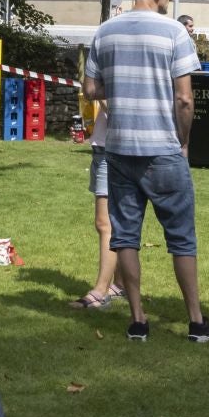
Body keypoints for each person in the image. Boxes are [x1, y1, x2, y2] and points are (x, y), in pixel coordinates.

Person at [83, 0, 209, 343]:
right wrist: (184, 138)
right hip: (164, 148)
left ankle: (138, 320)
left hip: (120, 148)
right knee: (182, 237)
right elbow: (185, 98)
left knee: (125, 235)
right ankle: (195, 321)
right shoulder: (175, 31)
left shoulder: (105, 32)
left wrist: (121, 86)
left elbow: (90, 90)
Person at [72, 99, 121, 309]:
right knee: (119, 222)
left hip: (112, 149)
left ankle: (101, 291)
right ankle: (120, 285)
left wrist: (98, 93)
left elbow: (116, 109)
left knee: (105, 223)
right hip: (104, 146)